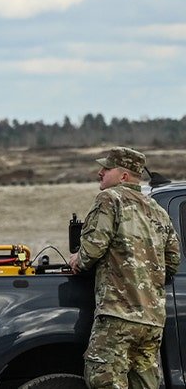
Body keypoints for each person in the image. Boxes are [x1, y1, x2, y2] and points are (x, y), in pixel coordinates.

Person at [69, 146, 181, 388]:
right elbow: (172, 261)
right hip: (152, 320)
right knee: (144, 383)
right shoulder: (158, 211)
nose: (100, 172)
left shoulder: (110, 199)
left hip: (118, 314)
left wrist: (77, 260)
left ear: (123, 176)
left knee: (104, 378)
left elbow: (92, 250)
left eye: (106, 168)